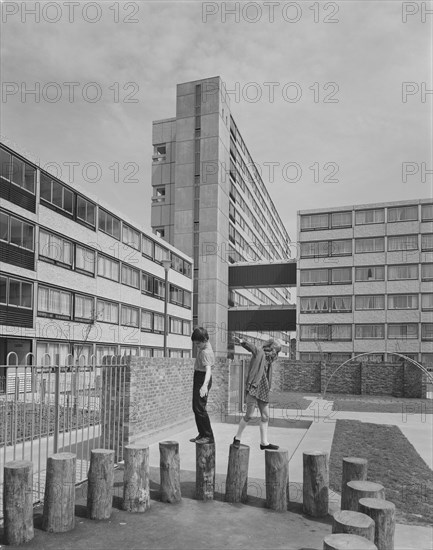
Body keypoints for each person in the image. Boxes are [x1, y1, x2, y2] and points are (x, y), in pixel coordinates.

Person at [232, 335, 282, 450]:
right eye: (275, 349)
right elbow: (251, 347)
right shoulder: (259, 352)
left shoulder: (270, 359)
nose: (276, 352)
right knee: (249, 415)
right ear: (271, 347)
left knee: (265, 416)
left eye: (277, 351)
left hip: (263, 389)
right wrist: (242, 341)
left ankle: (264, 443)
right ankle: (237, 438)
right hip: (254, 387)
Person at [190, 327, 215, 444]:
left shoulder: (206, 352)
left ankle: (208, 436)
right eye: (195, 344)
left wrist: (204, 386)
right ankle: (202, 433)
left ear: (204, 340)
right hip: (199, 376)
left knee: (200, 408)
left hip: (203, 378)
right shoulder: (204, 345)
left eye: (198, 343)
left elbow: (208, 370)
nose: (197, 346)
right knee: (196, 408)